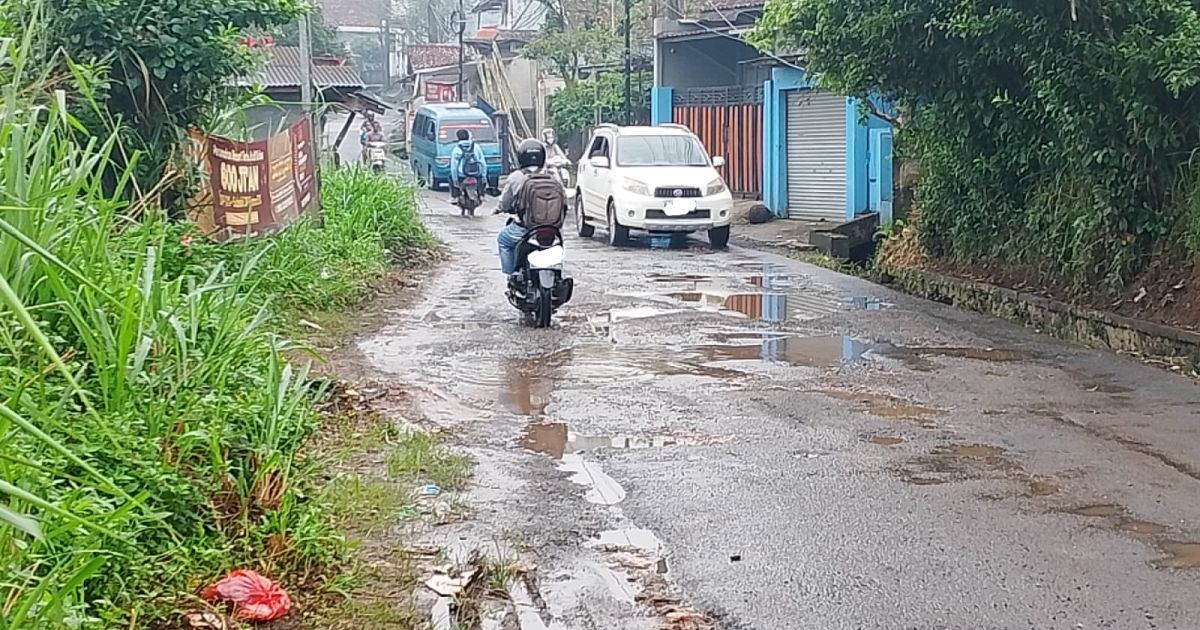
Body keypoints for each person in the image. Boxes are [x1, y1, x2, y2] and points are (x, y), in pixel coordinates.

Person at [495, 138, 565, 276]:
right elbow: (565, 201)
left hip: (525, 229)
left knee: (503, 240)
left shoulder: (516, 177)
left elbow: (505, 203)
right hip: (552, 231)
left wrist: (498, 209)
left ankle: (511, 275)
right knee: (558, 247)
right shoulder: (552, 176)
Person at [449, 128, 487, 203]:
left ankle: (455, 197)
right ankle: (481, 195)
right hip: (476, 173)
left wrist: (455, 180)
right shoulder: (476, 147)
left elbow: (454, 167)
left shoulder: (456, 149)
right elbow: (483, 163)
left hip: (462, 175)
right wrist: (484, 176)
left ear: (458, 138)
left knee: (450, 177)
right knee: (481, 180)